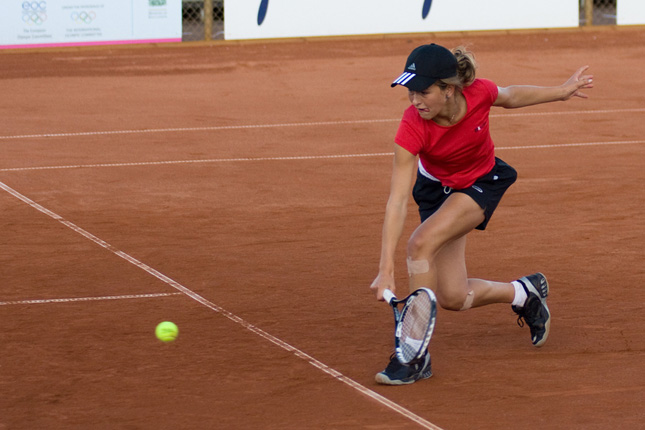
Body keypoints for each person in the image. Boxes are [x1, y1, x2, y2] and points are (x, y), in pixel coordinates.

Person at [370, 43, 593, 385]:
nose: (415, 100)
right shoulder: (412, 124)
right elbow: (397, 200)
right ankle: (523, 293)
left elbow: (511, 95)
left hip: (480, 182)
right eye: (410, 91)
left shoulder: (478, 94)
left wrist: (561, 92)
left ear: (449, 89)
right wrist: (385, 267)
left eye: (423, 91)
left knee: (420, 245)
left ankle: (413, 356)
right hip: (435, 191)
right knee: (453, 297)